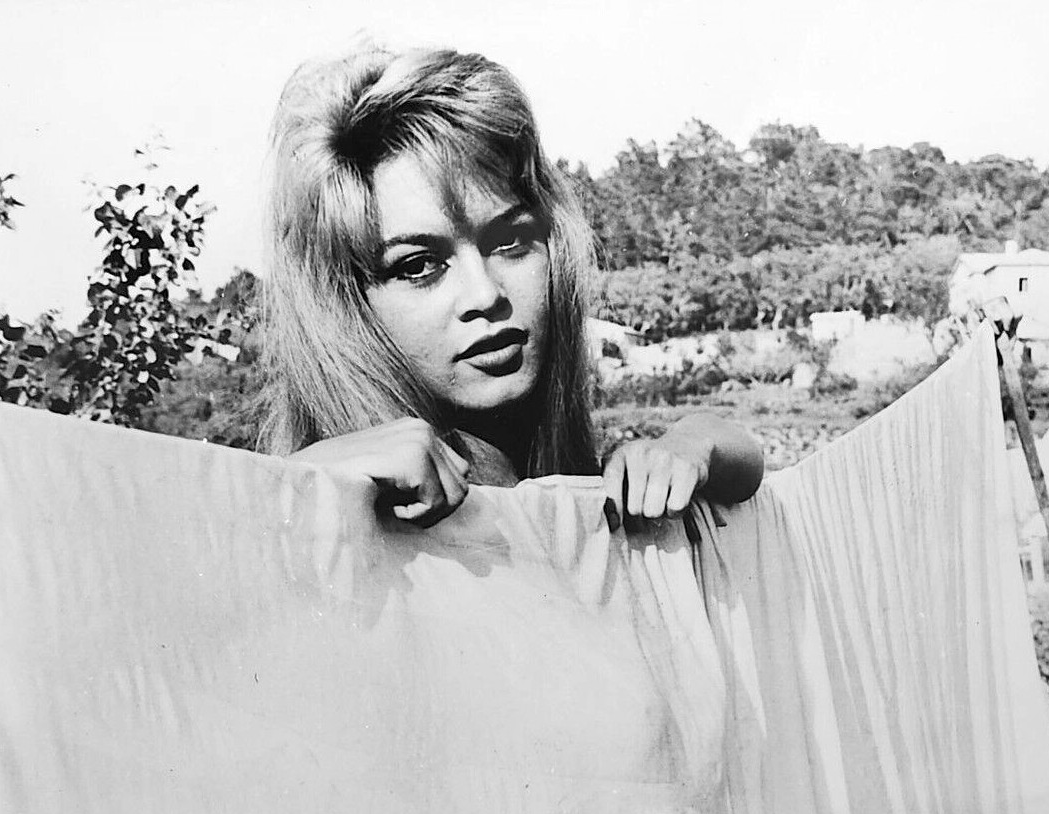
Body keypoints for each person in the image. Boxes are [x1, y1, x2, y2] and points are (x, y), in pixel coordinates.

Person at [258, 43, 763, 528]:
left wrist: (692, 442)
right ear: (348, 306)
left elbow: (744, 461)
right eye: (419, 266)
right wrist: (298, 484)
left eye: (509, 241)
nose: (485, 296)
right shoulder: (318, 495)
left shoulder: (569, 481)